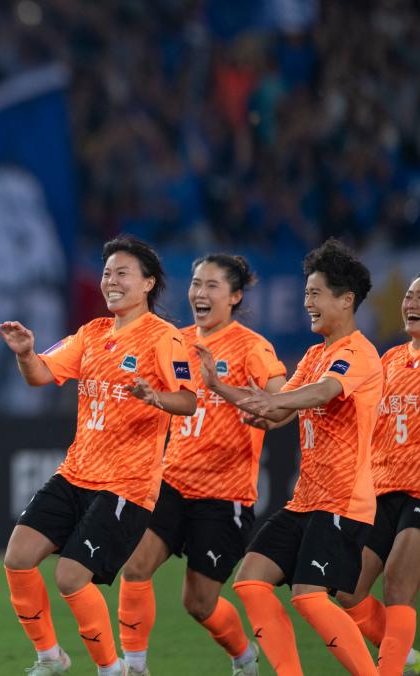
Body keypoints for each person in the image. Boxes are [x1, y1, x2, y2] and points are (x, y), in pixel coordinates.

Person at [0, 235, 196, 676]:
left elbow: (188, 400)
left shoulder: (163, 338)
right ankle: (51, 657)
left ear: (148, 283)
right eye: (107, 273)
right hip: (76, 473)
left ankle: (112, 669)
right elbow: (41, 375)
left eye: (123, 273)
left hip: (126, 484)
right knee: (18, 557)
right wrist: (26, 354)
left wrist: (156, 397)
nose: (111, 281)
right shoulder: (93, 333)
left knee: (70, 576)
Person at [117, 254, 286, 676]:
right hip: (172, 481)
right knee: (135, 566)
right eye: (196, 283)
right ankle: (134, 667)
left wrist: (223, 389)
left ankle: (243, 654)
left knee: (198, 603)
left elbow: (283, 403)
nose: (199, 293)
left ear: (235, 296)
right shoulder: (176, 341)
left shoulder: (252, 347)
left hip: (224, 495)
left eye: (212, 285)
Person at [232, 238, 381, 676]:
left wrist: (273, 402)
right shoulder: (315, 355)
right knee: (251, 580)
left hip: (342, 502)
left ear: (346, 300)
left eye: (315, 293)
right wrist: (250, 406)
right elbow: (282, 412)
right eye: (306, 293)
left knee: (308, 595)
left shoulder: (358, 353)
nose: (307, 303)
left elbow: (322, 392)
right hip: (306, 501)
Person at [334, 273, 420, 675]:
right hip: (382, 489)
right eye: (409, 296)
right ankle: (404, 656)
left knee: (398, 586)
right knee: (347, 591)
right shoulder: (390, 360)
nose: (412, 303)